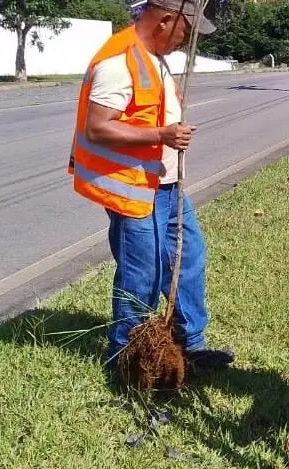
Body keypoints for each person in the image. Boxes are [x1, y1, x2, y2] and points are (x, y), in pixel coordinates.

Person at [68, 0, 234, 374]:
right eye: (187, 32)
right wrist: (161, 134)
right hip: (135, 189)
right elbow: (97, 127)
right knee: (142, 275)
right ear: (165, 20)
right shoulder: (119, 61)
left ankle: (189, 345)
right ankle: (126, 361)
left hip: (167, 186)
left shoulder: (153, 57)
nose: (187, 40)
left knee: (188, 259)